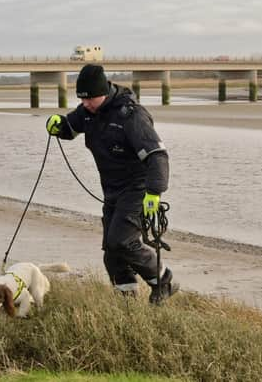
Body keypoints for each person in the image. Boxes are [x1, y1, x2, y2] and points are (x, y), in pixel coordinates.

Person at [46, 64, 177, 304]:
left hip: (138, 188)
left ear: (103, 91)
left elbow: (157, 155)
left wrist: (154, 192)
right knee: (111, 251)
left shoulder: (132, 115)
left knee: (122, 241)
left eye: (90, 99)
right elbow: (70, 127)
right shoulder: (88, 111)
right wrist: (57, 125)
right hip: (112, 190)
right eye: (81, 99)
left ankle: (164, 280)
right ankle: (126, 300)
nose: (85, 104)